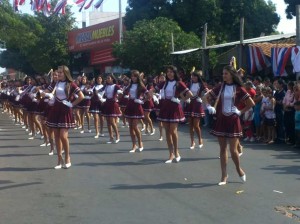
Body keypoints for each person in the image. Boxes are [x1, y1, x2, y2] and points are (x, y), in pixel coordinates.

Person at [203, 65, 254, 185]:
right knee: (222, 149)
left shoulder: (239, 88)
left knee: (233, 150)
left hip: (233, 119)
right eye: (223, 73)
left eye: (226, 73)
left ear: (231, 74)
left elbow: (251, 103)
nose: (223, 75)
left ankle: (238, 169)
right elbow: (205, 97)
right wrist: (209, 106)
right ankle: (224, 175)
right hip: (221, 119)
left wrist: (240, 111)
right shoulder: (220, 87)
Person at [43, 65, 84, 169]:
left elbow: (81, 96)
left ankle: (67, 157)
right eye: (58, 72)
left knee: (63, 136)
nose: (59, 74)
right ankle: (59, 160)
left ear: (65, 73)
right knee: (56, 136)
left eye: (61, 72)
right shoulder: (55, 83)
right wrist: (47, 95)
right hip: (56, 109)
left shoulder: (71, 84)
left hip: (65, 110)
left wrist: (72, 104)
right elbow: (45, 93)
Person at [156, 65, 193, 163]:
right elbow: (152, 90)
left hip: (175, 108)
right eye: (168, 71)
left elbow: (190, 94)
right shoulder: (163, 83)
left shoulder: (179, 83)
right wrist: (153, 96)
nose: (169, 73)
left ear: (175, 73)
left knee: (173, 131)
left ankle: (176, 152)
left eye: (171, 72)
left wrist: (180, 99)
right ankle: (171, 154)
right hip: (165, 107)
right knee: (167, 132)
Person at [124, 70, 148, 152]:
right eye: (132, 76)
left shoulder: (141, 85)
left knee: (135, 126)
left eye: (135, 76)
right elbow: (125, 93)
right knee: (130, 127)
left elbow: (149, 95)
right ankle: (134, 145)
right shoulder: (130, 85)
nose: (133, 77)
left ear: (138, 77)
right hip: (130, 104)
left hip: (137, 105)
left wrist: (142, 101)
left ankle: (140, 143)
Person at [184, 70, 207, 149]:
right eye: (192, 76)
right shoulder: (189, 84)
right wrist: (186, 98)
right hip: (190, 104)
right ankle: (192, 141)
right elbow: (184, 90)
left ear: (198, 77)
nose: (193, 77)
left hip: (197, 104)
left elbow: (207, 93)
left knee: (196, 125)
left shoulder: (201, 85)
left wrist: (201, 98)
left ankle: (200, 139)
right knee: (190, 125)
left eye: (195, 76)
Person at [101, 73, 122, 144]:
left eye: (109, 78)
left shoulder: (116, 86)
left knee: (112, 121)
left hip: (113, 103)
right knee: (108, 122)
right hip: (107, 103)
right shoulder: (106, 86)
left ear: (112, 79)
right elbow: (100, 91)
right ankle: (111, 137)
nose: (107, 79)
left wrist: (118, 97)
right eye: (107, 78)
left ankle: (117, 136)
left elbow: (121, 92)